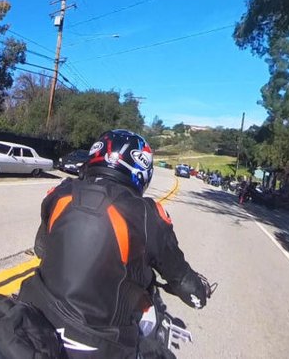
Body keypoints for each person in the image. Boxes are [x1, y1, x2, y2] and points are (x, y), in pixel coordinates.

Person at [17, 129, 213, 358]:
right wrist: (199, 294)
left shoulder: (60, 192)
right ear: (142, 171)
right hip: (97, 341)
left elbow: (41, 248)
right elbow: (185, 284)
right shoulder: (149, 214)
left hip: (34, 312)